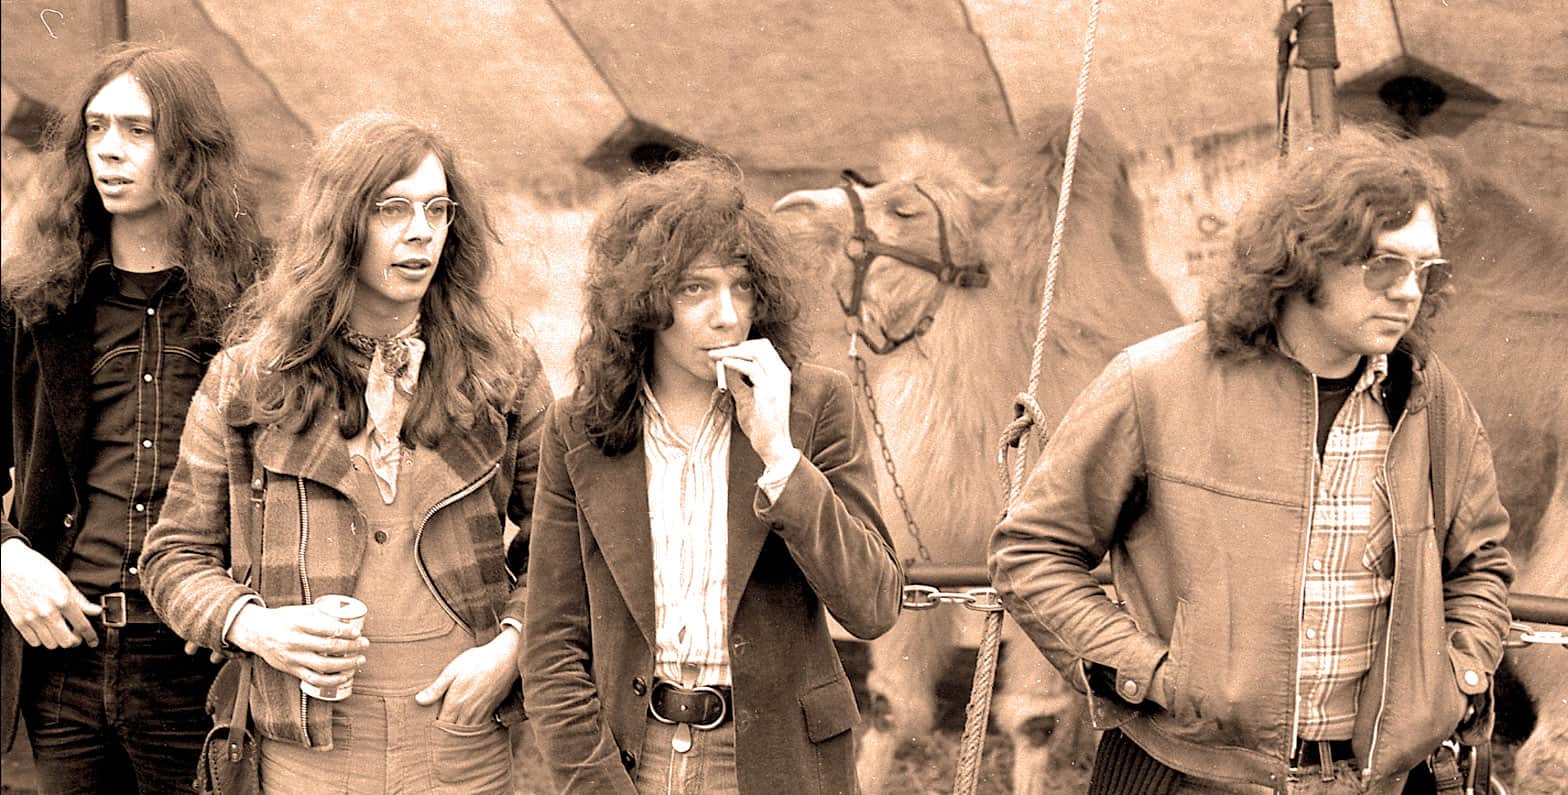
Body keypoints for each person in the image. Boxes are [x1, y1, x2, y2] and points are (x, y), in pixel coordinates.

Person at [988, 127, 1513, 794]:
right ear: (1306, 254)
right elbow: (1032, 550)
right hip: (1190, 775)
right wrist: (1144, 672)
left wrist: (1454, 678)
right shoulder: (1154, 382)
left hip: (1383, 779)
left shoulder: (1432, 398)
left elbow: (1481, 563)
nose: (1409, 291)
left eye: (1425, 269)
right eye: (1385, 264)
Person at [138, 111, 552, 794]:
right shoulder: (247, 379)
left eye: (437, 208)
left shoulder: (504, 374)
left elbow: (563, 547)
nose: (421, 231)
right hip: (306, 750)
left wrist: (511, 649)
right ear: (340, 225)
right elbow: (172, 555)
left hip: (462, 739)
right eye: (392, 208)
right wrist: (256, 626)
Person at [522, 157, 903, 794]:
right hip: (633, 756)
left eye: (743, 287)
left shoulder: (816, 404)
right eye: (695, 288)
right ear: (643, 302)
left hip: (779, 759)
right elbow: (553, 645)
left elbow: (873, 606)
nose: (727, 315)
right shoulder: (578, 428)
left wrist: (781, 457)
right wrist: (597, 785)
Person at [1, 43, 268, 792]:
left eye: (138, 130)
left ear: (190, 147)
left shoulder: (263, 301)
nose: (109, 150)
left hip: (200, 659)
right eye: (95, 127)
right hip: (64, 655)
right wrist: (7, 555)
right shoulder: (31, 300)